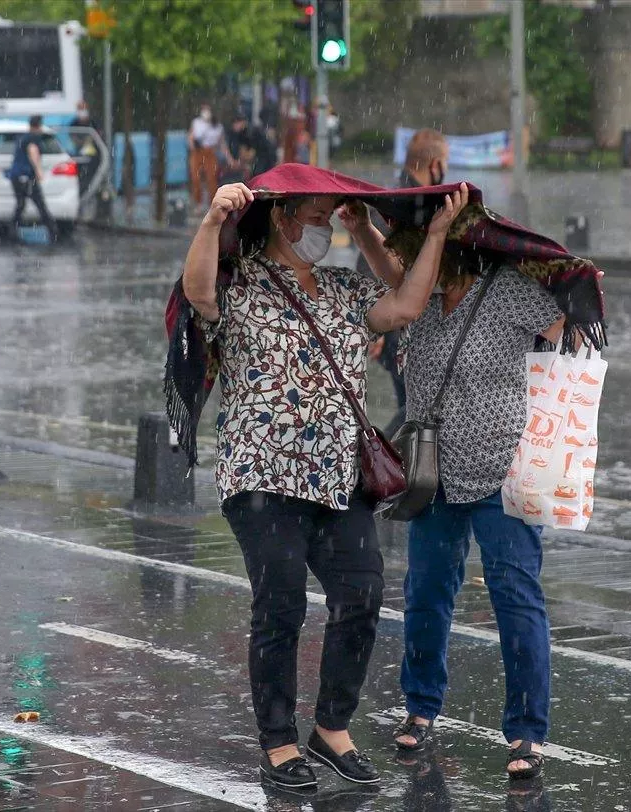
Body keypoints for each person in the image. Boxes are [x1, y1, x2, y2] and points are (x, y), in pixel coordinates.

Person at [180, 177, 470, 790]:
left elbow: (408, 301)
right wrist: (211, 223)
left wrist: (401, 231)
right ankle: (279, 741)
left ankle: (331, 729)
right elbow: (196, 291)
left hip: (340, 479)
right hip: (263, 475)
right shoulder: (242, 282)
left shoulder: (342, 288)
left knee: (362, 594)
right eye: (317, 216)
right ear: (283, 218)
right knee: (280, 602)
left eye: (331, 219)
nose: (325, 229)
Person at [351, 210, 568, 781]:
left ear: (453, 252)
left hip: (503, 470)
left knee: (514, 595)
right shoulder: (419, 299)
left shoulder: (508, 294)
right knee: (425, 591)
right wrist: (360, 229)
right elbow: (391, 272)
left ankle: (526, 730)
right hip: (435, 472)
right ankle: (421, 708)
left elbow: (566, 331)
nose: (409, 263)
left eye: (420, 252)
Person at [355, 128, 449, 435]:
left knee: (414, 406)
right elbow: (370, 259)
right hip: (397, 326)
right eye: (444, 163)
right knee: (414, 408)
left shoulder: (405, 198)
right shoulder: (403, 204)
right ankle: (384, 463)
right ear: (435, 164)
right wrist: (376, 331)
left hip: (402, 324)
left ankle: (391, 465)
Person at [6, 115, 58, 242]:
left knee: (21, 204)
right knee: (39, 204)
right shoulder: (33, 138)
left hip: (17, 176)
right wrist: (39, 171)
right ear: (39, 125)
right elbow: (33, 151)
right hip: (26, 176)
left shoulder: (23, 137)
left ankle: (12, 230)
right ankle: (53, 231)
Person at [187, 104, 224, 213]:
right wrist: (193, 146)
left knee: (211, 178)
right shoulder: (196, 122)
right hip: (197, 151)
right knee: (196, 178)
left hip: (210, 152)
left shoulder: (217, 125)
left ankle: (213, 204)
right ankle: (198, 203)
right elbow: (191, 136)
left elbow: (220, 142)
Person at [68, 100, 102, 198]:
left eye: (84, 109)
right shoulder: (74, 124)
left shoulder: (93, 122)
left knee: (93, 180)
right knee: (81, 181)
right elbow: (73, 138)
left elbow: (98, 136)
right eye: (80, 109)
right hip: (79, 156)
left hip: (94, 156)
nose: (82, 111)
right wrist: (83, 141)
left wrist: (90, 140)